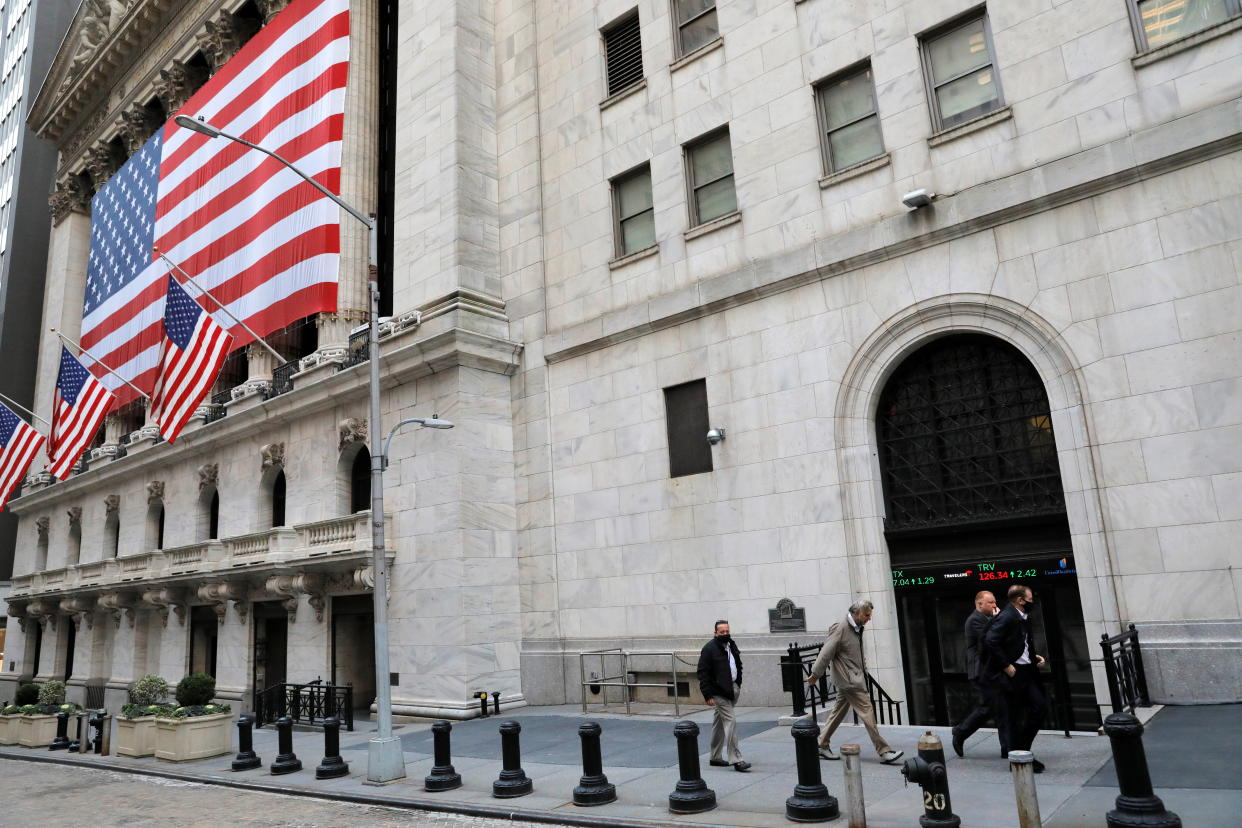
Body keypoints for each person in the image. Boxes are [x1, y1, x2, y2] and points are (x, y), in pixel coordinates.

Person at [805, 600, 904, 764]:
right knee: (867, 712)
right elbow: (825, 653)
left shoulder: (856, 627)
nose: (869, 619)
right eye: (867, 615)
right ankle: (884, 750)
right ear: (857, 613)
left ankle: (821, 744)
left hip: (850, 678)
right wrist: (815, 674)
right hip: (851, 681)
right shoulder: (841, 628)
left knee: (838, 712)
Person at [983, 583, 1049, 773]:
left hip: (1026, 670)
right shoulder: (1008, 616)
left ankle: (1022, 753)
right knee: (1018, 715)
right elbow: (990, 641)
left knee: (1038, 708)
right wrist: (1007, 666)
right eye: (1030, 599)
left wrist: (1032, 656)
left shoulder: (1021, 616)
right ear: (1020, 600)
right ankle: (1020, 757)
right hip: (1014, 674)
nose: (1032, 602)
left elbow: (1019, 641)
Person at [951, 590, 1007, 758]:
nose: (995, 605)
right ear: (979, 604)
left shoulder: (989, 618)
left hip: (992, 670)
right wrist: (999, 620)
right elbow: (989, 638)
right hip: (981, 671)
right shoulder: (974, 620)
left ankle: (1007, 748)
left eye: (995, 601)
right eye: (990, 602)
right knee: (989, 708)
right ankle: (960, 732)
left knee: (1001, 708)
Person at [696, 619, 750, 772]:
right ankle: (736, 759)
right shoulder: (709, 649)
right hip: (718, 691)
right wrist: (708, 695)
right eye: (722, 632)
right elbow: (702, 673)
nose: (725, 634)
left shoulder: (731, 645)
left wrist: (738, 682)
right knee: (730, 721)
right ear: (715, 633)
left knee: (719, 722)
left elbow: (737, 664)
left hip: (732, 688)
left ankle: (715, 756)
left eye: (727, 631)